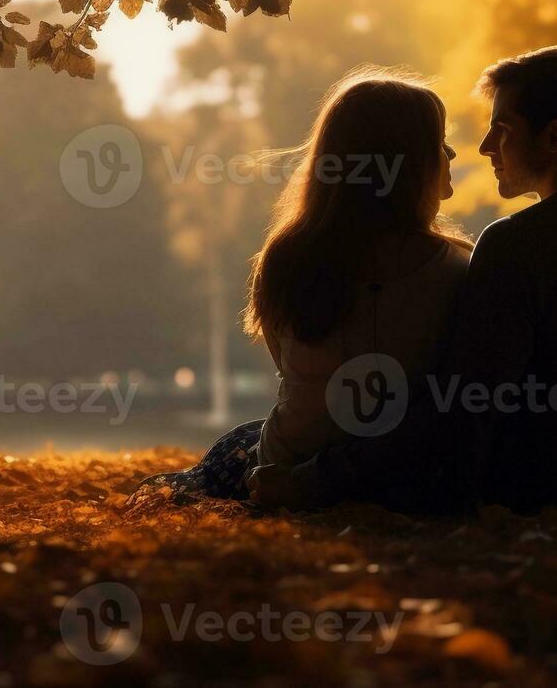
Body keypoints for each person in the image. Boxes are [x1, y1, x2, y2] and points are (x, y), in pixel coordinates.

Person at [250, 46, 557, 514]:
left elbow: (466, 406)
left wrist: (314, 482)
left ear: (553, 138)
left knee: (245, 443)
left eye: (502, 129)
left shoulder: (515, 244)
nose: (483, 147)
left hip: (530, 497)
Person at [135, 67, 472, 504]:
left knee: (226, 452)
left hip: (282, 465)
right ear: (410, 162)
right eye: (439, 140)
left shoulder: (288, 257)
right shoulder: (461, 268)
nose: (452, 153)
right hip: (399, 475)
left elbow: (290, 371)